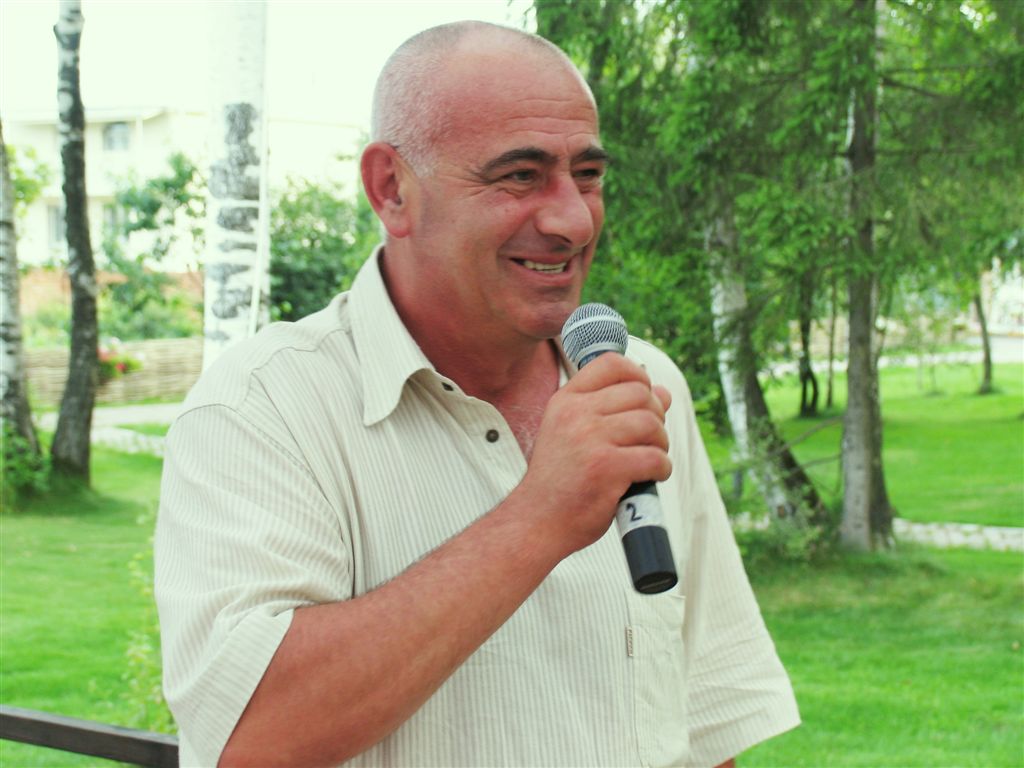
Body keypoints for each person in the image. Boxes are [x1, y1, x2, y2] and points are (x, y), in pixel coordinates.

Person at [155, 21, 799, 768]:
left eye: (588, 174)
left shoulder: (638, 384)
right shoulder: (260, 408)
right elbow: (248, 738)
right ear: (392, 189)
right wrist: (539, 517)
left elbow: (702, 720)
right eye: (520, 176)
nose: (573, 219)